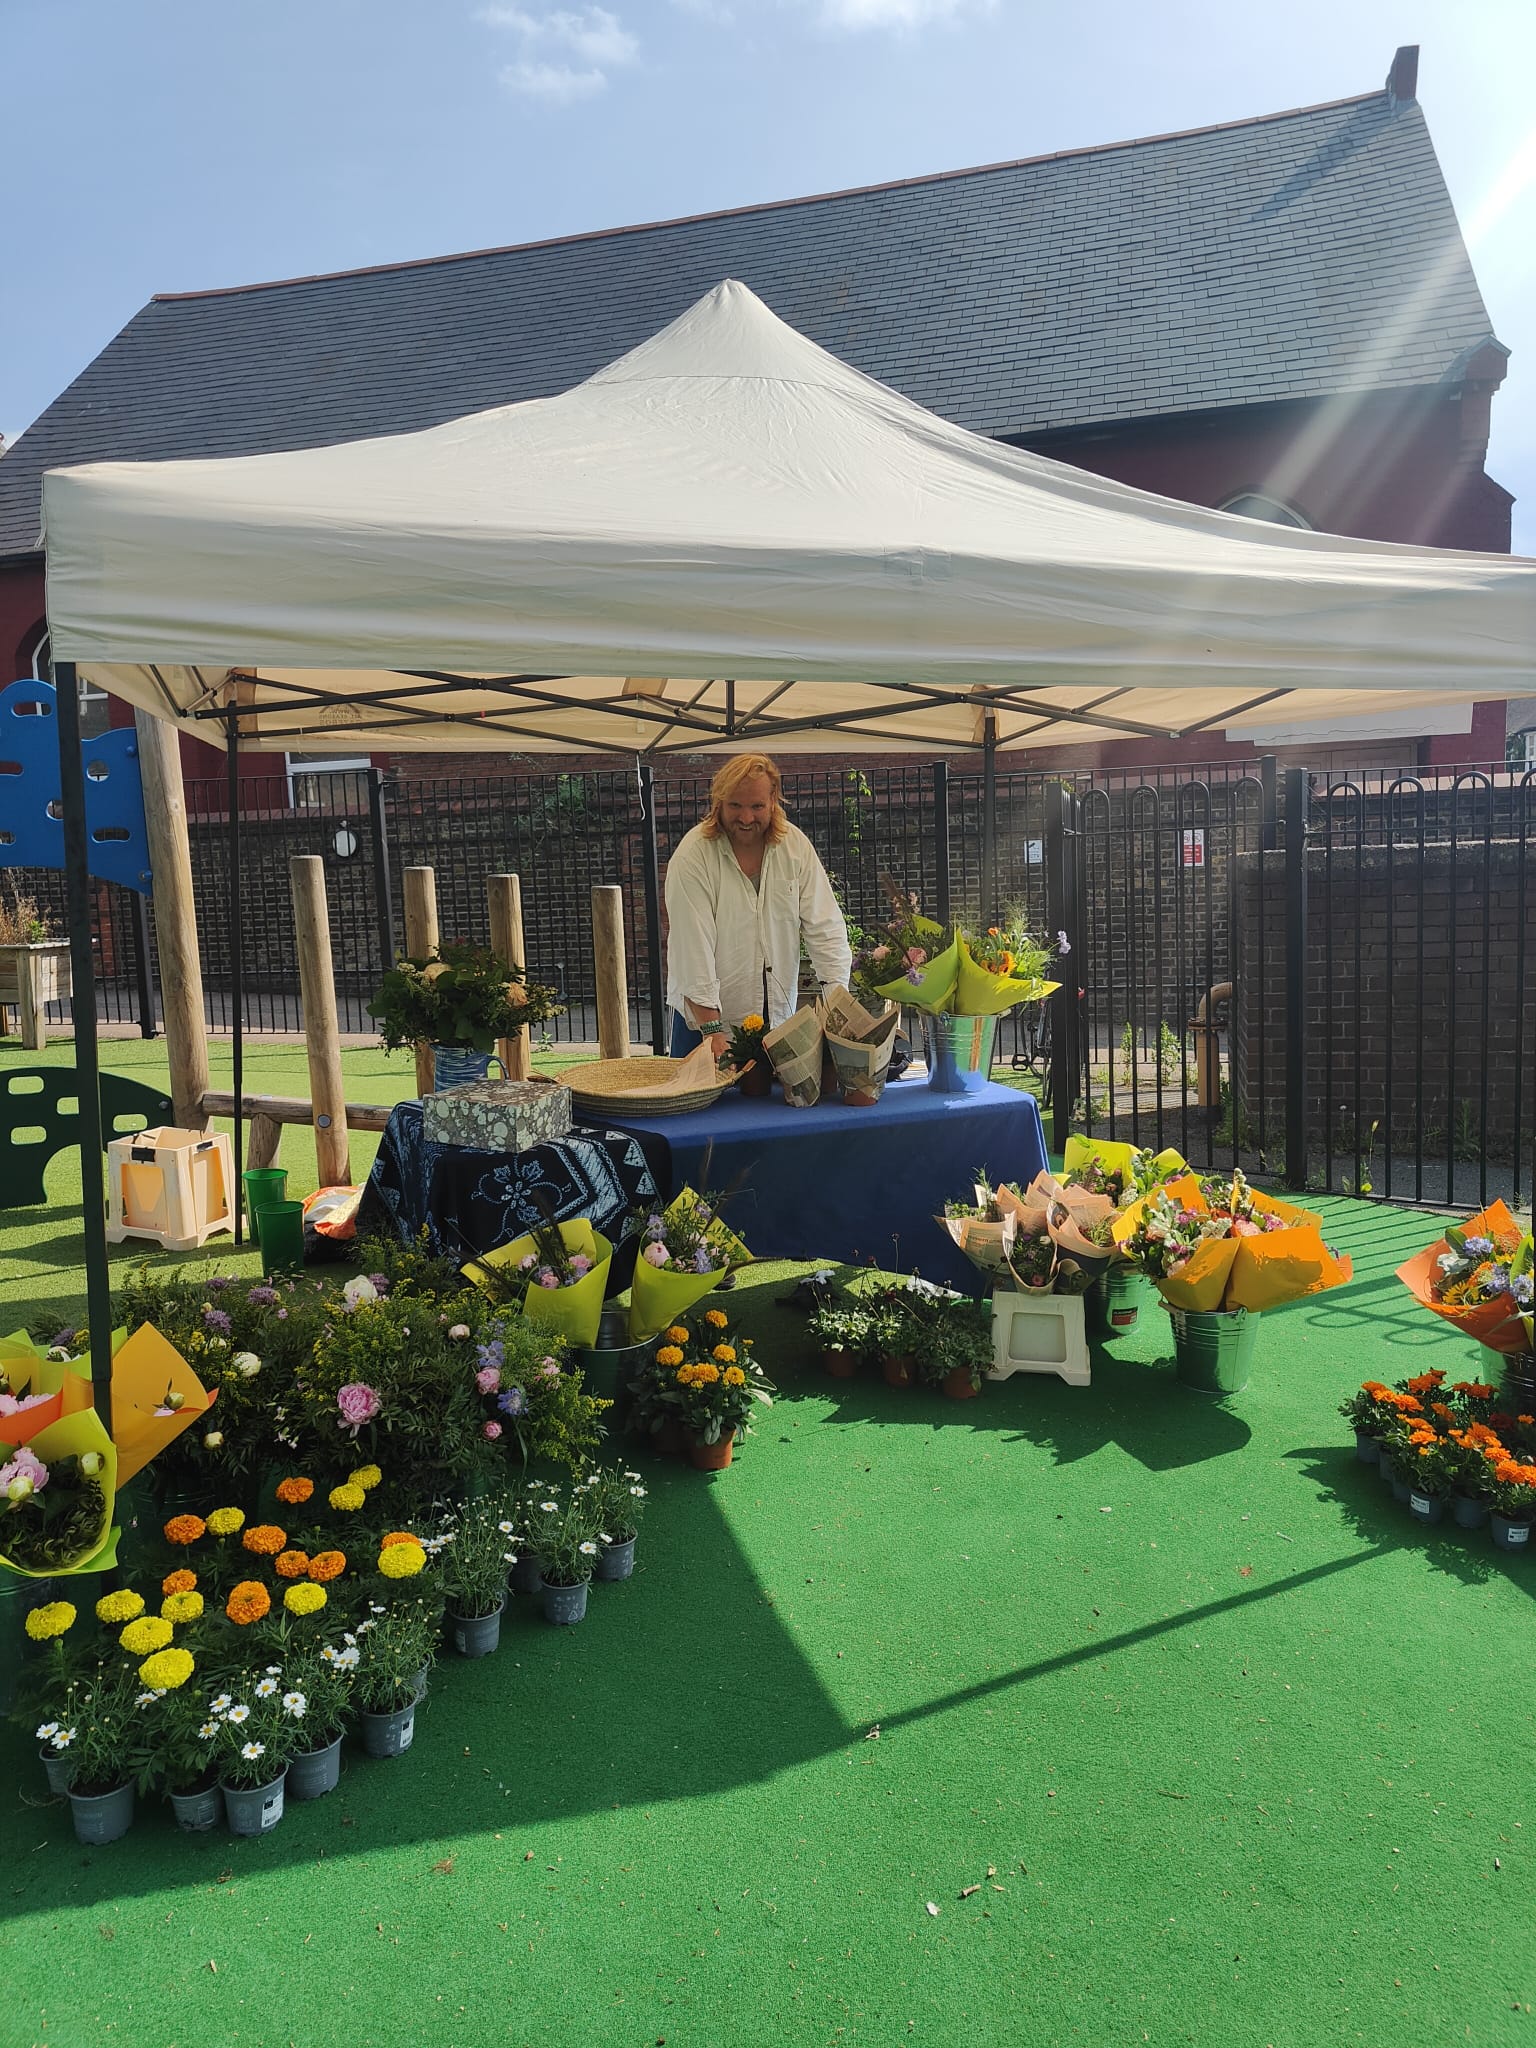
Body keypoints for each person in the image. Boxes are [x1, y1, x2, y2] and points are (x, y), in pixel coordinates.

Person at [664, 753, 853, 1058]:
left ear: (773, 800)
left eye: (756, 806)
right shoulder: (692, 856)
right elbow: (692, 948)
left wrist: (836, 1006)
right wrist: (712, 1031)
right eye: (735, 805)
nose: (746, 818)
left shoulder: (795, 847)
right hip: (702, 1023)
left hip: (777, 1019)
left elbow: (826, 928)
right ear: (718, 802)